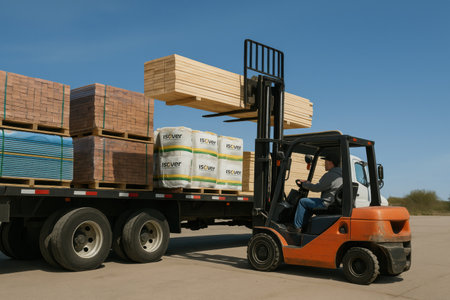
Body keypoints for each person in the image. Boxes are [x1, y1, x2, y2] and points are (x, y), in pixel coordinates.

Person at [293, 153, 343, 232]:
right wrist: (308, 184)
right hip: (335, 203)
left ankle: (297, 228)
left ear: (330, 162)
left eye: (325, 162)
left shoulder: (331, 174)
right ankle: (305, 227)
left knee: (303, 202)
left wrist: (303, 184)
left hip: (327, 203)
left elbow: (317, 188)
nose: (324, 164)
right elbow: (323, 185)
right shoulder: (342, 173)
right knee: (309, 206)